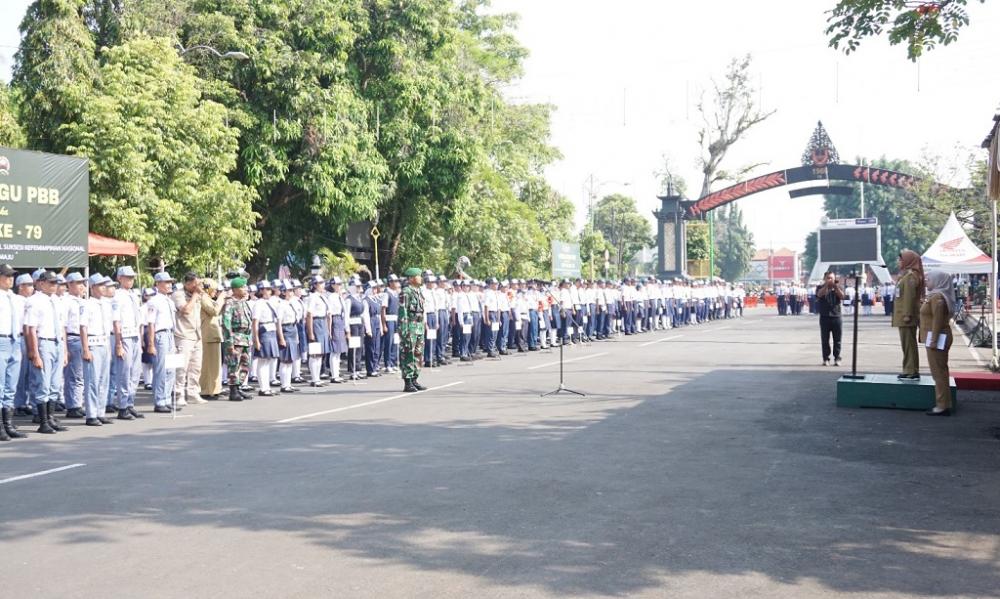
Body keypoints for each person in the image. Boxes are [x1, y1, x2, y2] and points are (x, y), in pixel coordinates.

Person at [24, 271, 68, 433]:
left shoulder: (57, 301)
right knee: (43, 382)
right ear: (41, 283)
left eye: (56, 283)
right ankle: (43, 421)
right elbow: (31, 329)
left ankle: (50, 418)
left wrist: (64, 351)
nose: (54, 285)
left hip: (57, 343)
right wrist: (34, 353)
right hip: (44, 343)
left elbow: (63, 327)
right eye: (51, 283)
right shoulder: (34, 301)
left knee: (55, 384)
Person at [80, 274, 115, 426]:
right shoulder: (86, 304)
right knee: (92, 381)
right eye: (100, 285)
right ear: (92, 287)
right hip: (93, 342)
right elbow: (83, 327)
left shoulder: (107, 304)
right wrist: (85, 348)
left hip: (105, 342)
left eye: (104, 285)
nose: (104, 288)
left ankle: (100, 412)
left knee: (104, 380)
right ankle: (91, 414)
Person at [111, 266, 144, 419]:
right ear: (119, 278)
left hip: (135, 335)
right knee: (124, 371)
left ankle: (130, 403)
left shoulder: (134, 295)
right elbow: (116, 321)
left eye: (132, 277)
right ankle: (122, 405)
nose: (130, 280)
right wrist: (118, 343)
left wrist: (141, 340)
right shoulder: (117, 296)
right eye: (127, 277)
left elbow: (139, 320)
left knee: (135, 372)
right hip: (124, 335)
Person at [921, 271, 955, 416]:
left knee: (938, 373)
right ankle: (944, 403)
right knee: (941, 371)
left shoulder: (937, 297)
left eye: (928, 279)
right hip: (937, 337)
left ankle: (942, 406)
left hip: (937, 337)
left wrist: (934, 340)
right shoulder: (936, 296)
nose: (926, 282)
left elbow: (937, 321)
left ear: (938, 281)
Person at [0, 264, 27, 440]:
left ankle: (8, 424)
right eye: (7, 275)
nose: (11, 279)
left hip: (15, 340)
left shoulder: (17, 299)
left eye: (12, 276)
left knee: (11, 385)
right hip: (1, 340)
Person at [146, 272, 178, 413]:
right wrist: (151, 343)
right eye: (166, 282)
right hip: (160, 335)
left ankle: (166, 398)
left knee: (171, 369)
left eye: (170, 282)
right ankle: (159, 400)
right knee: (161, 369)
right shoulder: (154, 301)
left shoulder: (170, 301)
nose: (169, 284)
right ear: (158, 284)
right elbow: (151, 323)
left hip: (170, 334)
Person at [173, 272, 206, 406]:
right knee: (181, 367)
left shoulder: (197, 294)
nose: (198, 286)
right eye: (195, 284)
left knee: (196, 366)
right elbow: (185, 310)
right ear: (187, 283)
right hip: (183, 335)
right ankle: (178, 393)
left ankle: (193, 392)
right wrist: (195, 295)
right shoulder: (178, 295)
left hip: (196, 335)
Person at [893, 250, 924, 380]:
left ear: (908, 261)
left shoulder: (911, 276)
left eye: (901, 259)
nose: (898, 262)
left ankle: (911, 371)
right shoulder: (906, 275)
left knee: (909, 345)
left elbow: (910, 297)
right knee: (906, 344)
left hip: (907, 316)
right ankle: (908, 369)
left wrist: (907, 314)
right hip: (904, 315)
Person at [222, 277, 253, 401]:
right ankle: (233, 390)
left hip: (244, 338)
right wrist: (229, 342)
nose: (245, 289)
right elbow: (226, 323)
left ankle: (239, 386)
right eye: (243, 287)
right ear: (235, 289)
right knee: (233, 365)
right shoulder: (230, 303)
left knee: (245, 364)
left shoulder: (244, 302)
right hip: (235, 338)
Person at [62, 272, 86, 419]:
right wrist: (65, 348)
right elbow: (63, 326)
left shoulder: (82, 301)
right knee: (73, 375)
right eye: (78, 283)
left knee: (81, 375)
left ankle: (77, 403)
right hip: (72, 338)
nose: (82, 286)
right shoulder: (66, 301)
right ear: (69, 285)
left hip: (82, 338)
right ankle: (72, 406)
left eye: (83, 282)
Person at [251, 280, 281, 397]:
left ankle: (267, 386)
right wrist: (256, 340)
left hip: (271, 330)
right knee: (262, 361)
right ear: (261, 291)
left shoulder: (271, 302)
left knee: (268, 361)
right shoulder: (259, 303)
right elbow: (255, 323)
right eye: (266, 289)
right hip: (263, 331)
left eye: (269, 289)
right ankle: (263, 388)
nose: (269, 291)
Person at [399, 268, 426, 392]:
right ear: (411, 278)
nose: (420, 278)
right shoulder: (406, 292)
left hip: (419, 326)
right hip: (410, 326)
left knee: (418, 354)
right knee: (408, 353)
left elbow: (421, 310)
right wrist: (404, 329)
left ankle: (415, 378)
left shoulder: (419, 291)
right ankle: (408, 381)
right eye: (418, 276)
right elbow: (402, 310)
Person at [199, 279, 227, 400]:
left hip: (213, 334)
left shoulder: (208, 298)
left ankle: (215, 389)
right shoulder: (203, 297)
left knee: (215, 366)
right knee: (207, 365)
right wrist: (221, 298)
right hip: (207, 334)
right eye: (215, 290)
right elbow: (214, 311)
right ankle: (206, 390)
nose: (216, 292)